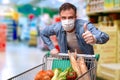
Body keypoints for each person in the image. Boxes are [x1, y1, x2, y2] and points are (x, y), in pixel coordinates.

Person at [40, 2, 109, 55]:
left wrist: (94, 38)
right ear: (60, 18)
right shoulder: (57, 27)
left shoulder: (84, 26)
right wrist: (52, 48)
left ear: (76, 17)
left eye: (70, 17)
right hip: (68, 60)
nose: (67, 21)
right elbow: (43, 33)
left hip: (87, 61)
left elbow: (105, 37)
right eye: (64, 18)